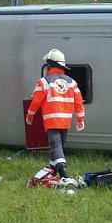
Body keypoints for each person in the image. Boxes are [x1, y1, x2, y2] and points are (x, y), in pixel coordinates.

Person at [25, 49, 85, 181]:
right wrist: (80, 119)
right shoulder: (72, 82)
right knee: (59, 145)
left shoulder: (44, 82)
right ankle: (53, 170)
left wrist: (30, 115)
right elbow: (79, 102)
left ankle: (63, 173)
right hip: (65, 121)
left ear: (50, 66)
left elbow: (36, 101)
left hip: (52, 120)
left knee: (55, 145)